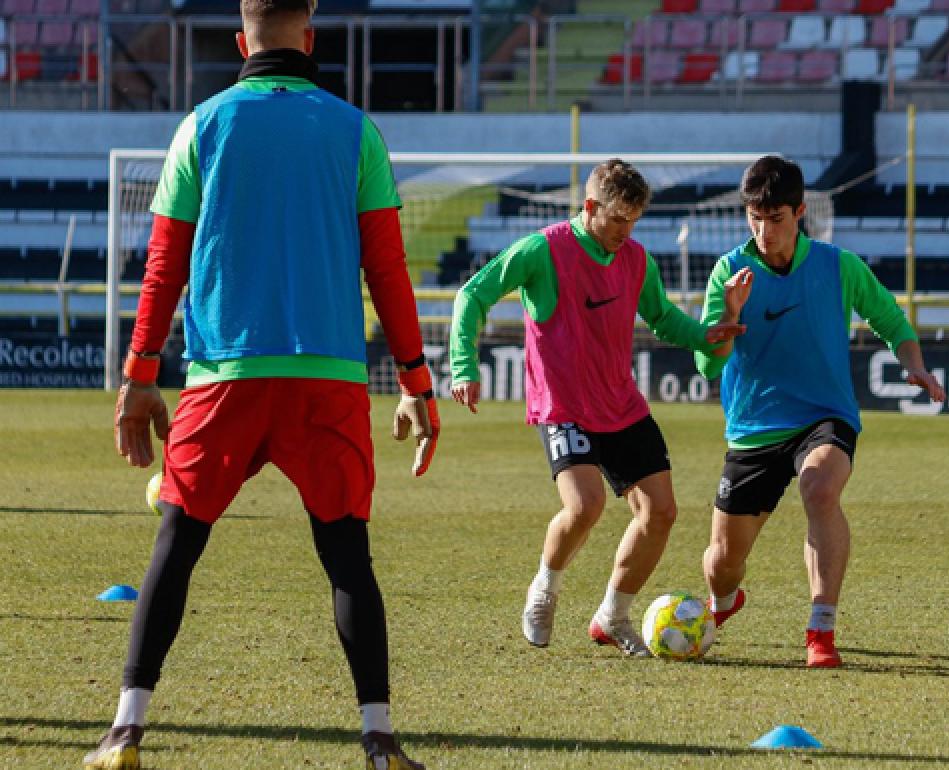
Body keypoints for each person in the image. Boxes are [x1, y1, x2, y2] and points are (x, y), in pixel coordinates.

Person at [85, 1, 437, 768]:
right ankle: (379, 739)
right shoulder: (355, 130)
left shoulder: (201, 126)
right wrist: (416, 380)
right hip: (329, 380)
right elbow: (387, 268)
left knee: (175, 547)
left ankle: (124, 730)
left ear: (241, 40)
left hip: (224, 376)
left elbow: (164, 266)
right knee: (349, 560)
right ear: (310, 37)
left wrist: (139, 378)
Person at [449, 159, 753, 657]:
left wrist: (704, 334)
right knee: (585, 504)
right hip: (563, 405)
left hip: (621, 403)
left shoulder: (635, 258)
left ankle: (613, 615)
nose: (625, 231)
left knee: (661, 512)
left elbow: (661, 318)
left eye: (633, 221)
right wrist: (463, 364)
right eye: (617, 220)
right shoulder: (541, 250)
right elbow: (473, 295)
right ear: (590, 207)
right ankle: (544, 590)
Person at [695, 155, 946, 668]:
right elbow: (705, 364)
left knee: (820, 487)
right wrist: (730, 313)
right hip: (754, 427)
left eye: (776, 218)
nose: (764, 232)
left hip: (825, 415)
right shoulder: (728, 272)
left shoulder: (838, 265)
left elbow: (891, 321)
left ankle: (821, 631)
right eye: (754, 218)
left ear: (800, 211)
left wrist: (915, 365)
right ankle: (725, 602)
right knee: (722, 564)